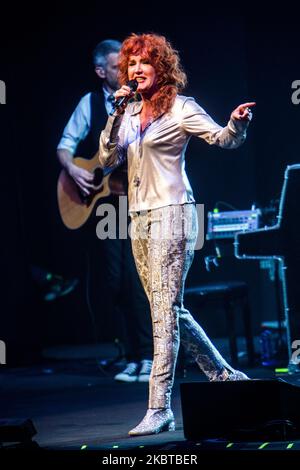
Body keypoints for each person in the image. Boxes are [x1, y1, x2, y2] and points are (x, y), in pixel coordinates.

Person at [99, 33, 256, 436]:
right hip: (138, 217)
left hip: (175, 214)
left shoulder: (181, 108)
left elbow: (223, 139)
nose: (136, 70)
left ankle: (159, 407)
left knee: (162, 313)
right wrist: (114, 114)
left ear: (161, 67)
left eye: (143, 62)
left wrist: (236, 124)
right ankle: (222, 374)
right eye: (130, 64)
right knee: (169, 310)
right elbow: (106, 158)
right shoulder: (128, 112)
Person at [57, 39, 153, 383]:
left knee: (135, 277)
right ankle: (130, 355)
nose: (126, 69)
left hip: (137, 201)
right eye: (117, 65)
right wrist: (73, 169)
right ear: (101, 71)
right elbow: (65, 145)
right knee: (114, 281)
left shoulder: (143, 100)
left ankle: (148, 356)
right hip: (105, 204)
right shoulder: (91, 103)